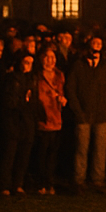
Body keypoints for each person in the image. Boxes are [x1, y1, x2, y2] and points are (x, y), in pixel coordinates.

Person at [67, 35, 106, 192]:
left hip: (102, 115)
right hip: (83, 114)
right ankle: (79, 180)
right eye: (94, 43)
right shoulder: (78, 66)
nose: (96, 46)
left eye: (99, 43)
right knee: (81, 149)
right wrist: (78, 110)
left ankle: (97, 179)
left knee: (100, 149)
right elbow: (71, 89)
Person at [0, 52, 39, 196]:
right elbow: (9, 101)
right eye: (26, 62)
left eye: (31, 63)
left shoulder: (32, 78)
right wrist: (23, 102)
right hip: (13, 121)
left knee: (23, 155)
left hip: (27, 122)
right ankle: (4, 185)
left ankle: (18, 183)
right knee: (9, 154)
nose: (29, 65)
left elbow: (34, 100)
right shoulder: (11, 78)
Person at [33, 47, 67, 195]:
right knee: (41, 153)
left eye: (53, 57)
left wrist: (62, 99)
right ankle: (40, 182)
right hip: (42, 118)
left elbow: (62, 93)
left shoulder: (59, 75)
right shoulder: (37, 76)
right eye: (47, 57)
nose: (51, 60)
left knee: (52, 153)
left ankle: (49, 181)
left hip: (56, 118)